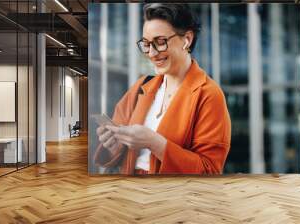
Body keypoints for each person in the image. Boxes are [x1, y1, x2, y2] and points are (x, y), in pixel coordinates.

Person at [93, 3, 231, 175]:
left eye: (160, 42)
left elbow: (209, 171)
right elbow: (122, 155)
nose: (151, 53)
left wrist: (155, 143)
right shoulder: (142, 85)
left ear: (187, 39)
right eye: (146, 44)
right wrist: (115, 145)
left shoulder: (208, 94)